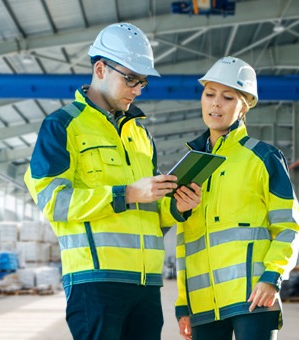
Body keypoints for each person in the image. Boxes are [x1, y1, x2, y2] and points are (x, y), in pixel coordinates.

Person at [24, 22, 201, 340]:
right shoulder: (63, 127)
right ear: (101, 68)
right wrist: (128, 192)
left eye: (142, 82)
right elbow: (55, 202)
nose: (137, 90)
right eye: (130, 79)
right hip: (96, 282)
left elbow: (148, 216)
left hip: (146, 283)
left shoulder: (141, 134)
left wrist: (175, 208)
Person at [175, 56, 299, 340]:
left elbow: (288, 227)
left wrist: (273, 277)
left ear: (243, 107)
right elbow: (186, 242)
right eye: (209, 94)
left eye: (227, 97)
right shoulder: (192, 165)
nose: (215, 104)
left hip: (254, 295)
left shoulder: (264, 158)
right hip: (203, 302)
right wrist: (183, 303)